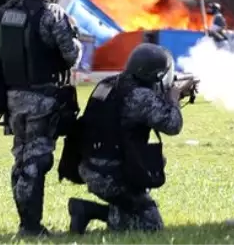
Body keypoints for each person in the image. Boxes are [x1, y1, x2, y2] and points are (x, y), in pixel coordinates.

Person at [0, 0, 82, 236]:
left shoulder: (5, 12)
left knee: (21, 159)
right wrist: (76, 36)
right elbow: (71, 57)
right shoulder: (52, 15)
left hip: (12, 99)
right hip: (42, 100)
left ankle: (26, 223)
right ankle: (30, 227)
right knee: (37, 160)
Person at [68, 44, 186, 233]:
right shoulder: (140, 96)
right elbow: (173, 125)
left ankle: (83, 210)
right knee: (151, 226)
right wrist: (173, 98)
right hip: (111, 175)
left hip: (89, 166)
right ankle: (89, 210)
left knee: (130, 210)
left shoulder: (108, 84)